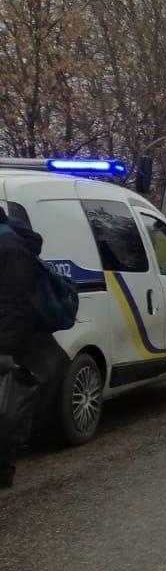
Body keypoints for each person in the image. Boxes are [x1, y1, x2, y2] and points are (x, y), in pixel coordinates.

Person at [0, 208, 48, 488]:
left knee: (6, 408)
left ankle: (4, 471)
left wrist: (5, 348)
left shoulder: (9, 246)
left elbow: (15, 302)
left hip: (7, 340)